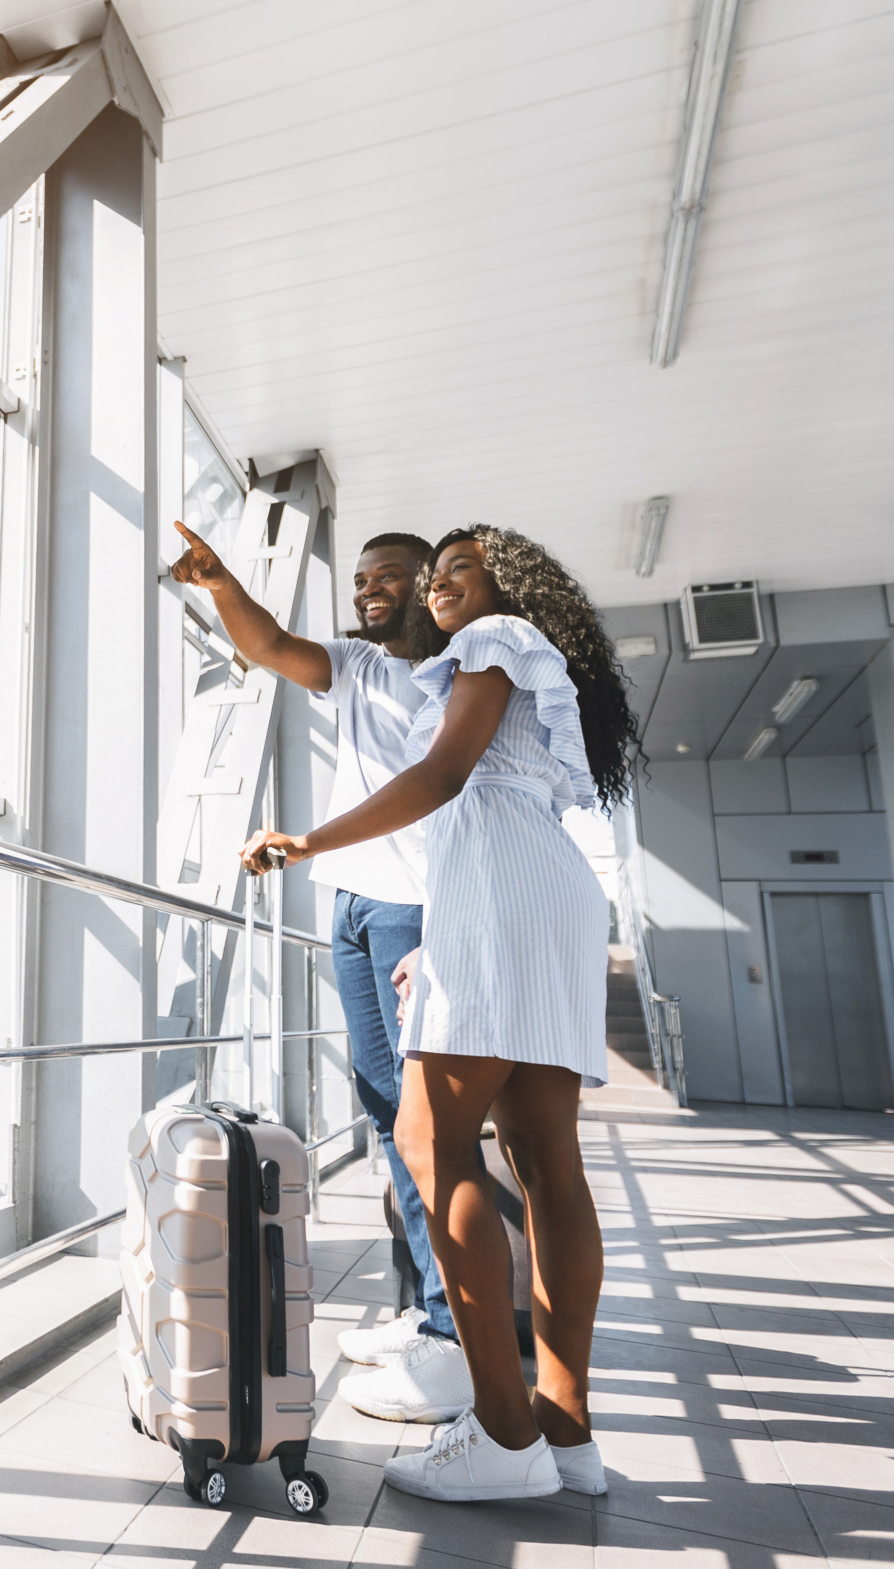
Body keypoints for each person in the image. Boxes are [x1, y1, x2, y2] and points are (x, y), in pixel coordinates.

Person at [241, 525, 638, 1504]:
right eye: (439, 573)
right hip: (548, 892)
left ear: (505, 583)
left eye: (460, 567)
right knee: (548, 1163)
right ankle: (564, 1431)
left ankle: (504, 1438)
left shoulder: (490, 642)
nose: (442, 585)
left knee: (429, 1143)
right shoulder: (535, 662)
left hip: (499, 895)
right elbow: (493, 796)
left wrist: (306, 842)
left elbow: (442, 780)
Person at [164, 519, 473, 1426]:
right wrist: (219, 582)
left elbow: (444, 793)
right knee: (386, 1110)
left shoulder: (457, 678)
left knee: (428, 1127)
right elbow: (266, 644)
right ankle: (426, 1314)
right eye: (361, 578)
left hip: (415, 911)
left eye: (387, 577)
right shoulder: (363, 665)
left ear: (428, 585)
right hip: (350, 905)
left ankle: (456, 1337)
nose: (367, 590)